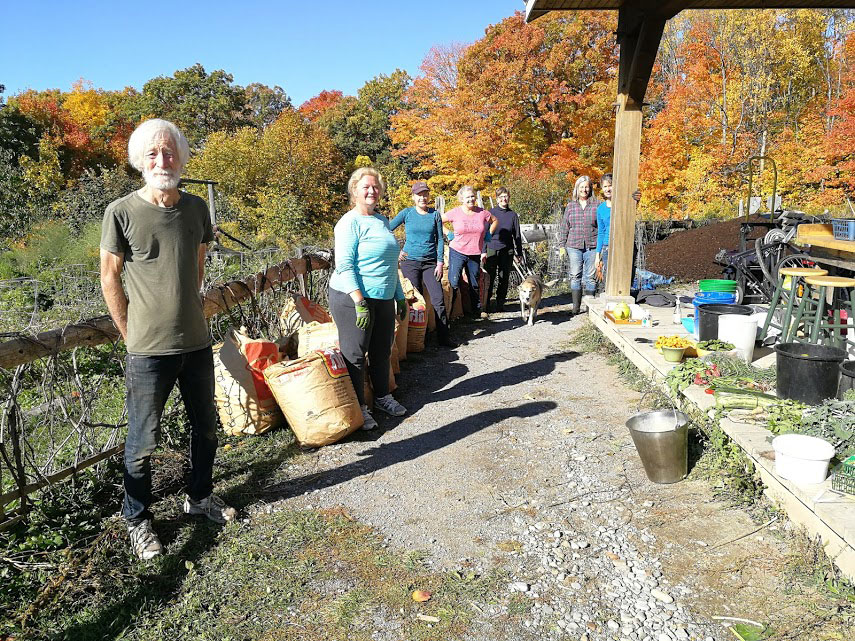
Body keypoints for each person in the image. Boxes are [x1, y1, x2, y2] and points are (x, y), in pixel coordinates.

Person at [100, 118, 235, 561]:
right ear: (141, 161)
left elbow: (197, 265)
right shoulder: (120, 212)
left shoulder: (197, 208)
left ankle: (198, 498)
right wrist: (129, 334)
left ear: (182, 157)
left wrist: (186, 306)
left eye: (170, 151)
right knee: (142, 444)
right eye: (153, 153)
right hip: (147, 350)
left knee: (208, 431)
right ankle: (138, 520)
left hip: (195, 343)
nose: (163, 160)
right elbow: (110, 279)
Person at [329, 167, 408, 431]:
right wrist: (359, 301)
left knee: (381, 349)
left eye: (375, 187)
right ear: (354, 191)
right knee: (355, 354)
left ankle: (383, 397)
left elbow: (390, 264)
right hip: (353, 297)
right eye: (366, 187)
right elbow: (345, 265)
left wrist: (399, 296)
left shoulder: (382, 221)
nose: (372, 191)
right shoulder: (348, 223)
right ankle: (360, 408)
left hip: (383, 295)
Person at [390, 181, 455, 347]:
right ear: (413, 197)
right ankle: (416, 341)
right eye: (419, 195)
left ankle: (444, 338)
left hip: (430, 263)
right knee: (415, 302)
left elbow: (440, 239)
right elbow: (386, 229)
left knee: (438, 299)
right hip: (409, 262)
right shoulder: (407, 213)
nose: (423, 198)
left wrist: (440, 262)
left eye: (425, 194)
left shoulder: (435, 215)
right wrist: (396, 251)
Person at [441, 186, 498, 319]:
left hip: (474, 253)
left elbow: (495, 221)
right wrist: (447, 232)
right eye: (467, 197)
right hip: (458, 251)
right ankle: (451, 314)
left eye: (472, 196)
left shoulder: (482, 212)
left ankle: (475, 313)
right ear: (461, 199)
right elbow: (438, 221)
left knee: (474, 283)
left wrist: (489, 233)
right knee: (454, 282)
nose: (471, 199)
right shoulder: (455, 212)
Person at [557, 175, 600, 314]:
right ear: (577, 189)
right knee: (575, 275)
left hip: (592, 246)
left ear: (590, 188)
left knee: (591, 277)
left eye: (587, 187)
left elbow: (601, 226)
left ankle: (590, 308)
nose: (584, 189)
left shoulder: (597, 205)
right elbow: (565, 226)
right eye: (581, 187)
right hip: (574, 246)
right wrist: (562, 245)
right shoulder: (570, 206)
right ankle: (575, 307)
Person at [485, 187, 523, 313]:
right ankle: (486, 304)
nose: (504, 199)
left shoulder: (513, 215)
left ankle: (500, 303)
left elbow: (517, 235)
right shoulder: (491, 213)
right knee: (489, 277)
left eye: (506, 196)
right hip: (492, 248)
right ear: (497, 199)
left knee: (503, 277)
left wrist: (519, 253)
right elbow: (485, 233)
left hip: (507, 250)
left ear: (509, 197)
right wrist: (483, 250)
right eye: (501, 197)